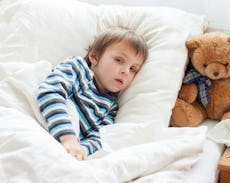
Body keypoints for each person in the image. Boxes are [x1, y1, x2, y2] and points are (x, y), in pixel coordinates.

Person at [37, 27, 148, 160]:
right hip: (45, 125)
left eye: (133, 69)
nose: (125, 71)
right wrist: (68, 139)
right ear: (94, 57)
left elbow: (99, 139)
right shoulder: (76, 68)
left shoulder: (110, 107)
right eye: (119, 60)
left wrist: (79, 151)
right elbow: (50, 92)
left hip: (65, 150)